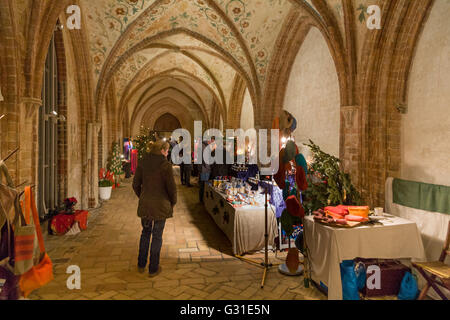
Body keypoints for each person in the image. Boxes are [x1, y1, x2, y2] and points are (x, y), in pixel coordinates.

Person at [132, 140, 177, 277]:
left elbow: (135, 184)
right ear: (162, 150)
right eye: (167, 150)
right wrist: (172, 202)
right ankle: (153, 268)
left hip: (146, 205)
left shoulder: (143, 162)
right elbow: (171, 188)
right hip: (161, 206)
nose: (168, 153)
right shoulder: (165, 165)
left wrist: (143, 196)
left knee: (145, 233)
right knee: (157, 236)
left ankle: (141, 264)